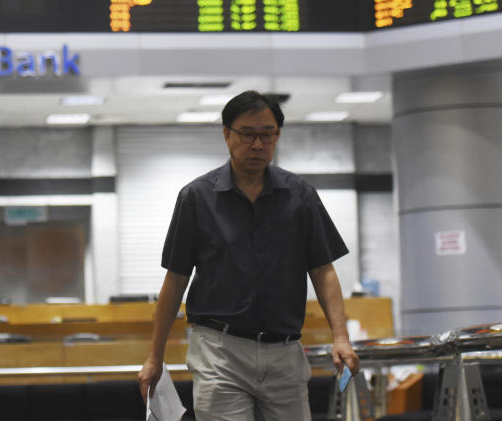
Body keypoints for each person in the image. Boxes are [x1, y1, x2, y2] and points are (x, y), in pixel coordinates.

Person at [138, 90, 360, 420]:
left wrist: (340, 337)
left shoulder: (300, 196)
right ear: (227, 133)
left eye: (267, 135)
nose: (257, 145)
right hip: (220, 351)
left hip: (285, 352)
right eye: (247, 134)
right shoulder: (197, 198)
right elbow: (175, 279)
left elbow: (323, 270)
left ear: (277, 136)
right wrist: (154, 356)